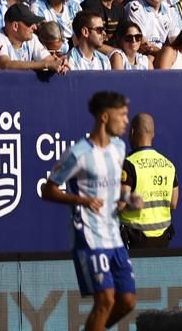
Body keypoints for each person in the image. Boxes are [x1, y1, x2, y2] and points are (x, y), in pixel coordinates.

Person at [41, 91, 139, 331]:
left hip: (114, 236)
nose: (127, 121)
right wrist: (81, 200)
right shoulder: (79, 153)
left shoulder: (118, 147)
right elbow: (48, 190)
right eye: (122, 115)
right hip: (89, 235)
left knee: (127, 301)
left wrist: (128, 197)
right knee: (105, 299)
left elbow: (114, 188)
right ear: (105, 117)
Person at [118, 113, 177, 250]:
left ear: (132, 132)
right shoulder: (168, 165)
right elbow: (173, 203)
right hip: (162, 240)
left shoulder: (129, 164)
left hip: (134, 239)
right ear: (153, 134)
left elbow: (120, 204)